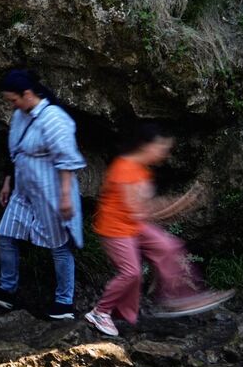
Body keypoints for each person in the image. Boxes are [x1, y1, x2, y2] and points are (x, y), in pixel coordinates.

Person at [83, 125, 235, 336]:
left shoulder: (142, 170)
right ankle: (100, 312)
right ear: (146, 146)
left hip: (133, 224)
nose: (165, 152)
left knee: (169, 246)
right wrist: (181, 203)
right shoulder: (123, 168)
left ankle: (177, 297)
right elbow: (139, 211)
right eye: (162, 147)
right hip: (115, 228)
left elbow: (144, 209)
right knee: (132, 272)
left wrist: (181, 203)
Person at [0, 69, 87, 321]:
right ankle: (7, 290)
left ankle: (64, 303)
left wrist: (65, 197)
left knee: (59, 246)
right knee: (6, 234)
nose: (12, 105)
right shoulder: (21, 116)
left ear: (27, 94)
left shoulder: (54, 118)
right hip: (24, 190)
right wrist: (8, 181)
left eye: (14, 99)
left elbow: (67, 160)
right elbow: (16, 151)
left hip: (50, 192)